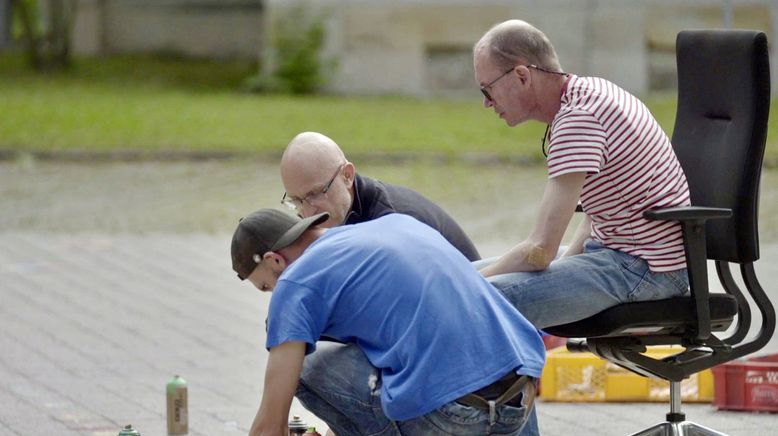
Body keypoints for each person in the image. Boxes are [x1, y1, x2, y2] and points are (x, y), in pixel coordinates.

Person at [231, 208, 545, 436]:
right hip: (520, 400)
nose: (273, 293)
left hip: (458, 416)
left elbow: (269, 428)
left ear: (274, 260)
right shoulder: (394, 224)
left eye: (266, 286)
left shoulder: (295, 283)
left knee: (305, 367)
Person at [472, 19, 691, 329]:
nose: (486, 103)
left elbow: (539, 250)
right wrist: (563, 269)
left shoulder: (578, 121)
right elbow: (596, 215)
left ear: (522, 76)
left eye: (487, 89)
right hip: (631, 257)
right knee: (465, 274)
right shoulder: (589, 92)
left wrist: (467, 287)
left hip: (645, 270)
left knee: (473, 301)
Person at [279, 131, 481, 261]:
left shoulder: (393, 222)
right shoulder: (345, 213)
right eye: (296, 201)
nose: (307, 211)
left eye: (315, 194)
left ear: (347, 176)